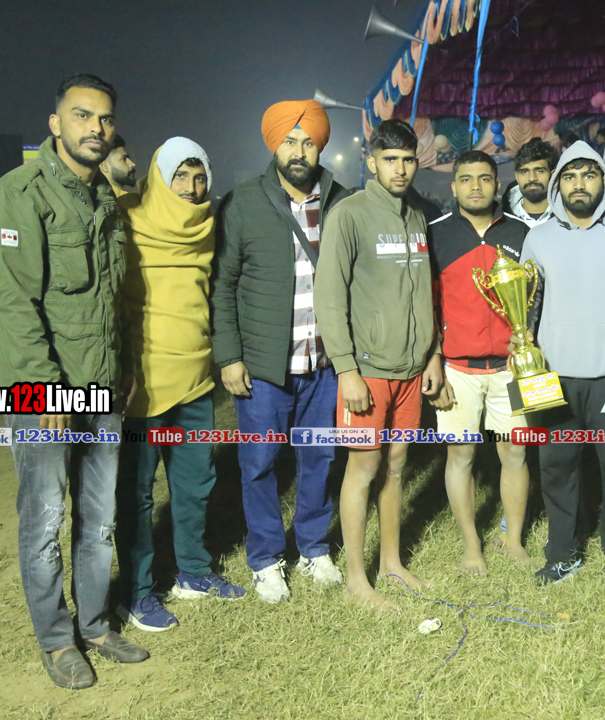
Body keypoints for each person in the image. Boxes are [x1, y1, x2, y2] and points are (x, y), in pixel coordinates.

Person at [0, 73, 147, 690]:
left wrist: (125, 366)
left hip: (101, 384)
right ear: (56, 124)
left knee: (99, 517)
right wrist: (45, 391)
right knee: (45, 518)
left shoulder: (106, 199)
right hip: (41, 390)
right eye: (81, 115)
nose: (95, 128)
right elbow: (16, 305)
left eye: (104, 119)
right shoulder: (20, 193)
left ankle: (96, 624)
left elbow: (113, 299)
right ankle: (57, 641)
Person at [210, 100, 350, 603]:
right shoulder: (243, 202)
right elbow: (222, 284)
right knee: (259, 463)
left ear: (320, 147)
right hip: (265, 366)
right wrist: (229, 356)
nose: (298, 151)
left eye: (308, 141)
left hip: (324, 363)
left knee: (319, 458)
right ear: (274, 145)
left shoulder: (340, 201)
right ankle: (266, 559)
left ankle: (313, 547)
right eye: (289, 141)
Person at [115, 137, 246, 633]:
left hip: (194, 380)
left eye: (199, 177)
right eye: (180, 177)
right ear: (158, 177)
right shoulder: (128, 216)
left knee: (195, 485)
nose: (191, 188)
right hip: (142, 385)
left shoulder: (209, 224)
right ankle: (137, 592)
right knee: (137, 494)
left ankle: (193, 571)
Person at [313, 119, 442, 610]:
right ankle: (356, 579)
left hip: (411, 370)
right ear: (371, 162)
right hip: (367, 370)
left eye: (408, 159)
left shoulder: (418, 216)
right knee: (364, 467)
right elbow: (329, 298)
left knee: (397, 464)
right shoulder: (348, 215)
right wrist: (346, 370)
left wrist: (432, 354)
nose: (400, 169)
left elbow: (425, 293)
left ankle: (391, 563)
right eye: (390, 160)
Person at [517, 141, 605, 587]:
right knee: (556, 469)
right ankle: (562, 554)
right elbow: (524, 306)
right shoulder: (538, 238)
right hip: (553, 376)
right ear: (558, 183)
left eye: (588, 175)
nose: (579, 184)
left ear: (603, 180)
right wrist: (523, 347)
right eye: (569, 176)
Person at [428, 150, 531, 575]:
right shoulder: (436, 235)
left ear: (497, 184)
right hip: (458, 368)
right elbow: (427, 304)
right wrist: (433, 360)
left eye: (485, 178)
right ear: (454, 187)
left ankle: (514, 540)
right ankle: (472, 546)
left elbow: (537, 297)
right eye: (467, 179)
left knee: (515, 454)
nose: (476, 186)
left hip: (511, 367)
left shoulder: (522, 233)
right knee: (461, 456)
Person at [505, 138, 559, 228]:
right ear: (517, 176)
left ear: (552, 175)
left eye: (539, 171)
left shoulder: (569, 217)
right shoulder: (501, 217)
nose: (532, 178)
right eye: (524, 172)